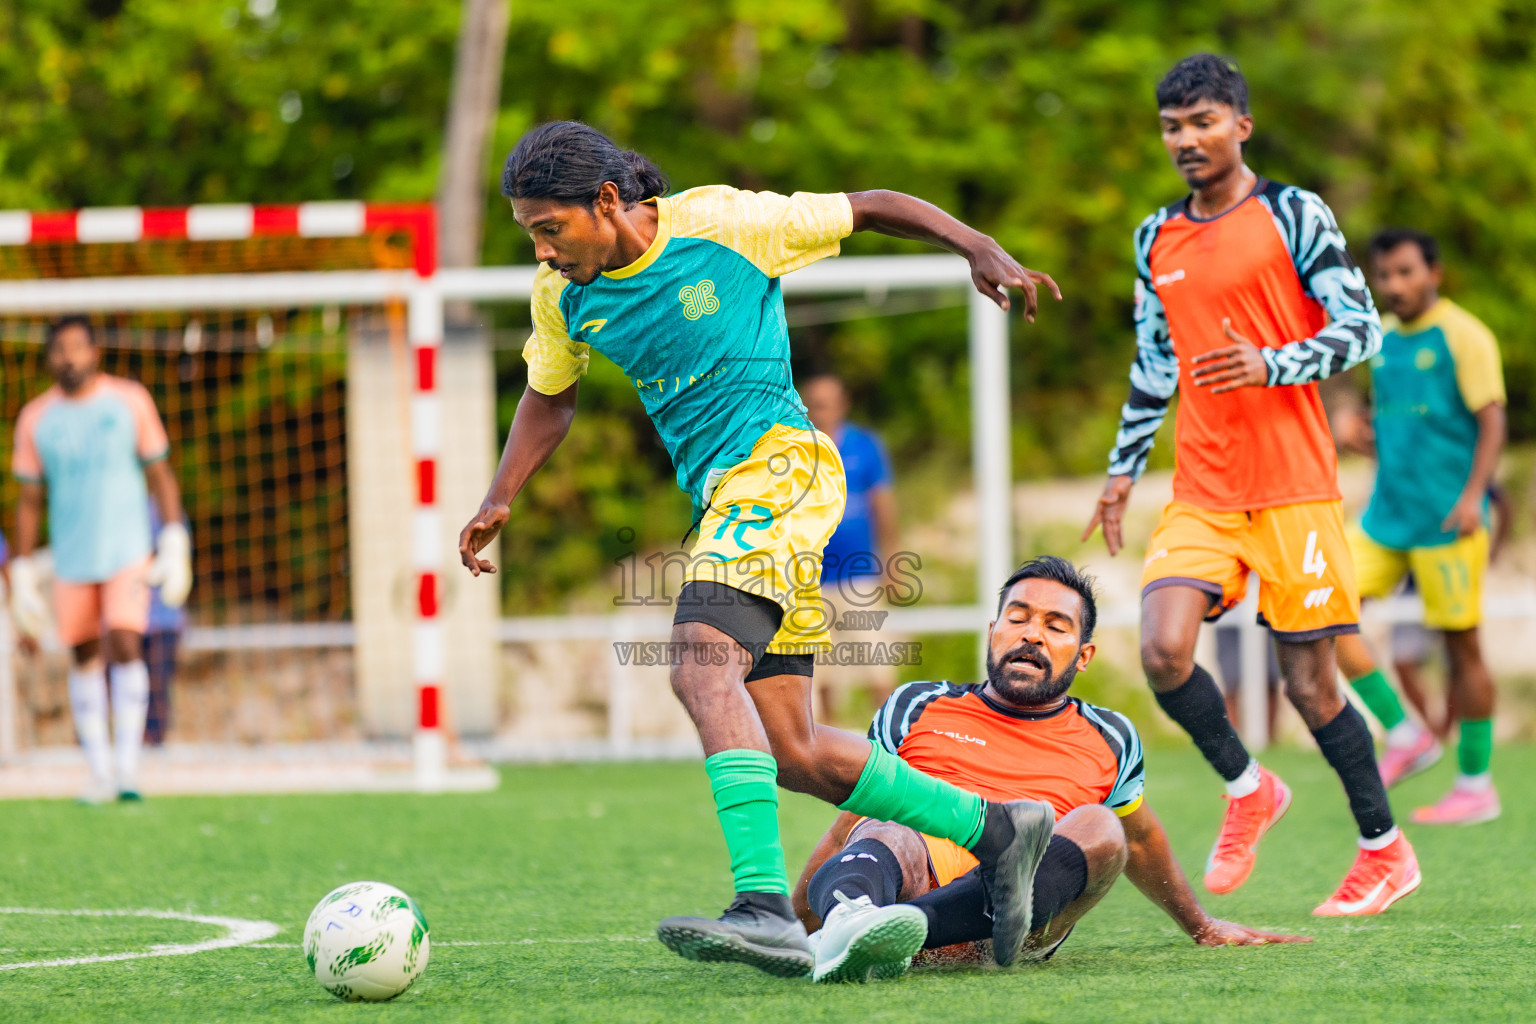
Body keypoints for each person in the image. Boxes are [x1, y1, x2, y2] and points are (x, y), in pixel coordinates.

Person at [457, 121, 1064, 975]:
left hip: (782, 467)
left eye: (549, 228)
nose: (542, 250)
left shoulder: (724, 223)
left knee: (700, 663)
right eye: (529, 233)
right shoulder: (561, 298)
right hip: (725, 505)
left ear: (606, 202)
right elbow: (550, 398)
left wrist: (976, 245)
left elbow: (875, 205)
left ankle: (765, 907)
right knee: (794, 751)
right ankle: (1000, 829)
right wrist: (499, 495)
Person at [1082, 55, 1418, 916]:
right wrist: (1122, 472)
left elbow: (1362, 330)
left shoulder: (1294, 212)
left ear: (1242, 125)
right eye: (1173, 126)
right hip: (1203, 486)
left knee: (1309, 686)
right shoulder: (1155, 237)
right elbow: (1155, 364)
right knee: (1161, 647)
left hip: (1297, 488)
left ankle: (1384, 848)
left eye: (1203, 122)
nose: (1187, 140)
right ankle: (1249, 785)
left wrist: (1273, 362)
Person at [792, 557, 1307, 983]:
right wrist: (791, 921)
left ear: (1083, 656)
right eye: (1017, 618)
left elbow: (1142, 840)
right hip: (909, 875)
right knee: (892, 818)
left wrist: (1201, 926)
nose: (1032, 634)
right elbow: (853, 827)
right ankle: (849, 926)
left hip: (1014, 926)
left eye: (1055, 626)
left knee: (1103, 826)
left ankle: (893, 931)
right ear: (992, 630)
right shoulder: (916, 704)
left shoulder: (1112, 737)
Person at [1332, 229, 1506, 824]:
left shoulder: (1465, 335)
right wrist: (1360, 435)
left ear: (1434, 272)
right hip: (1387, 517)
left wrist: (1472, 497)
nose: (1395, 285)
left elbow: (1491, 424)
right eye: (1385, 275)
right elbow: (1402, 428)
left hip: (1448, 519)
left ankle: (1477, 783)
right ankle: (1405, 734)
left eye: (1406, 272)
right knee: (1321, 608)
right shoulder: (1379, 339)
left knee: (1463, 650)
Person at [9, 316, 192, 802]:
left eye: (77, 347)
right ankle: (99, 770)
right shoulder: (36, 419)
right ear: (48, 357)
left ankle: (128, 769)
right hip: (72, 557)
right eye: (59, 349)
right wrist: (21, 569)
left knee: (127, 642)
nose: (68, 357)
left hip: (127, 550)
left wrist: (174, 536)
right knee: (84, 654)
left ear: (95, 352)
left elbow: (160, 473)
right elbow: (28, 500)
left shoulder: (129, 401)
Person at [799, 373, 900, 722]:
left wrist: (892, 562)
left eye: (826, 403)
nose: (819, 411)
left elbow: (882, 505)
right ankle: (827, 750)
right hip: (810, 578)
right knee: (821, 672)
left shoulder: (865, 445)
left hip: (861, 576)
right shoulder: (798, 449)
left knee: (877, 663)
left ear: (842, 405)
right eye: (814, 404)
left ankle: (889, 742)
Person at [144, 500, 189, 746]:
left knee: (158, 687)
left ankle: (155, 744)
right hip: (128, 618)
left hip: (163, 620)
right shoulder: (115, 506)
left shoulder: (168, 510)